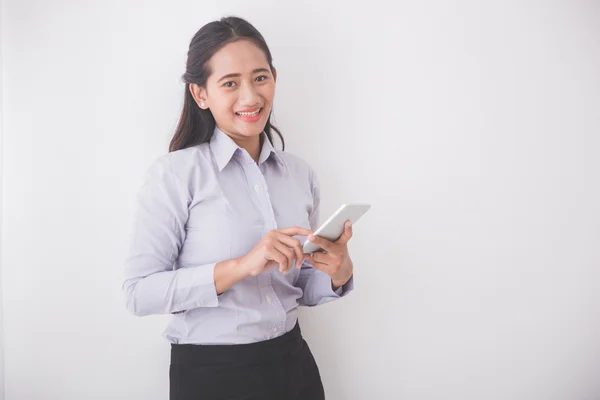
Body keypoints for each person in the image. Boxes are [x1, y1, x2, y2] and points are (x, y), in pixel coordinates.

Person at [122, 16, 355, 400]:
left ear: (274, 79)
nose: (250, 97)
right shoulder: (176, 174)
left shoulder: (300, 174)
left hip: (293, 364)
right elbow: (138, 292)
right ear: (201, 95)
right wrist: (242, 265)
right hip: (212, 376)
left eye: (260, 77)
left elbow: (298, 284)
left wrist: (338, 272)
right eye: (230, 83)